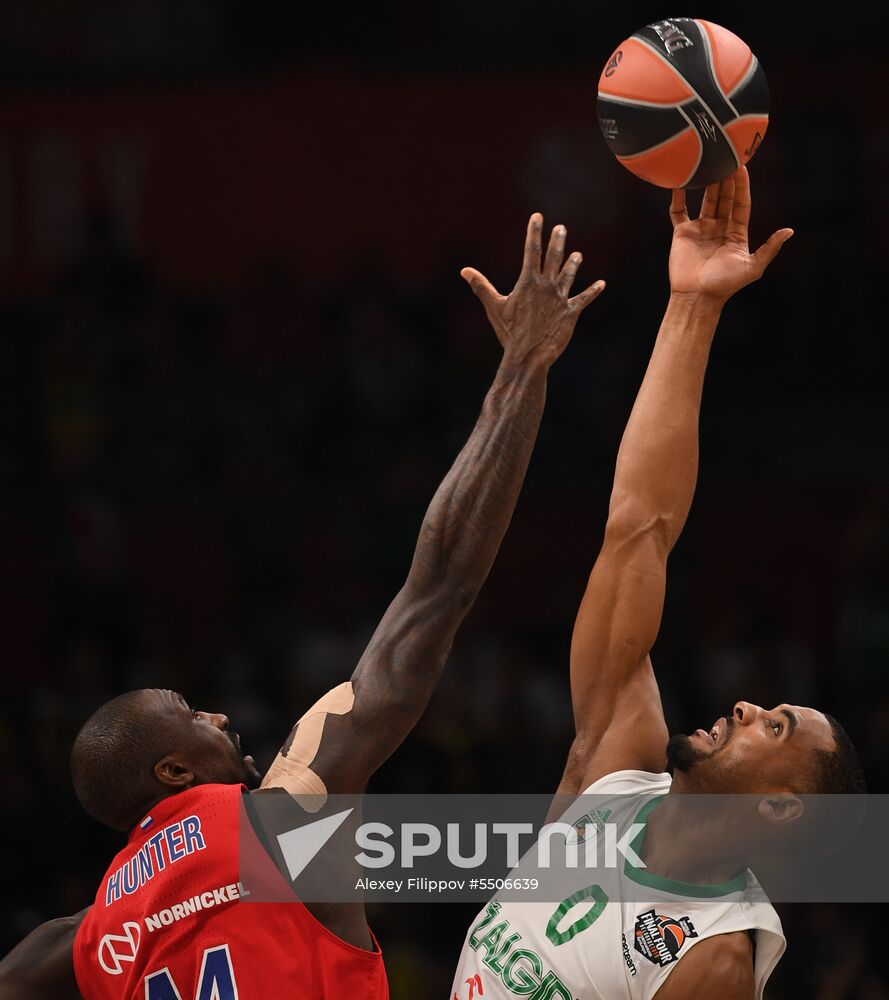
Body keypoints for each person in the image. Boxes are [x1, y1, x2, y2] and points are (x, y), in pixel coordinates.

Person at [0, 217, 606, 1000]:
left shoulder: (94, 933)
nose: (217, 716)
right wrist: (523, 367)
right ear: (174, 770)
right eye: (189, 712)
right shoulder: (275, 824)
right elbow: (438, 585)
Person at [450, 167, 867, 1000]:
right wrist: (693, 304)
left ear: (783, 808)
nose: (748, 705)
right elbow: (638, 524)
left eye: (776, 729)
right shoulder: (614, 770)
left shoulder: (711, 957)